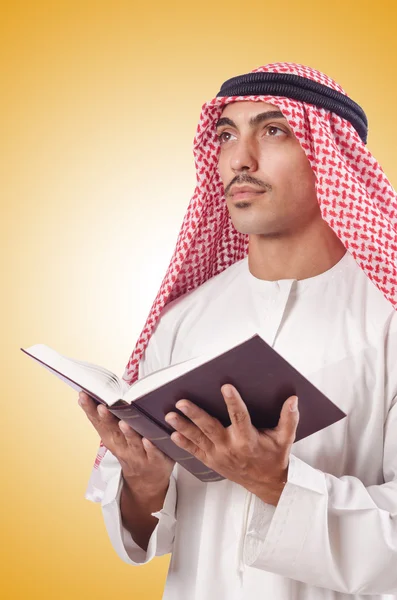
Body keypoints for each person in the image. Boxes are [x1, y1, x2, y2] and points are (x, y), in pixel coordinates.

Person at [78, 63, 397, 599]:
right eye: (227, 134)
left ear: (331, 156)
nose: (239, 158)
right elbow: (148, 533)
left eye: (274, 130)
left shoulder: (387, 318)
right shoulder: (185, 319)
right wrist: (144, 484)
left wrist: (275, 483)